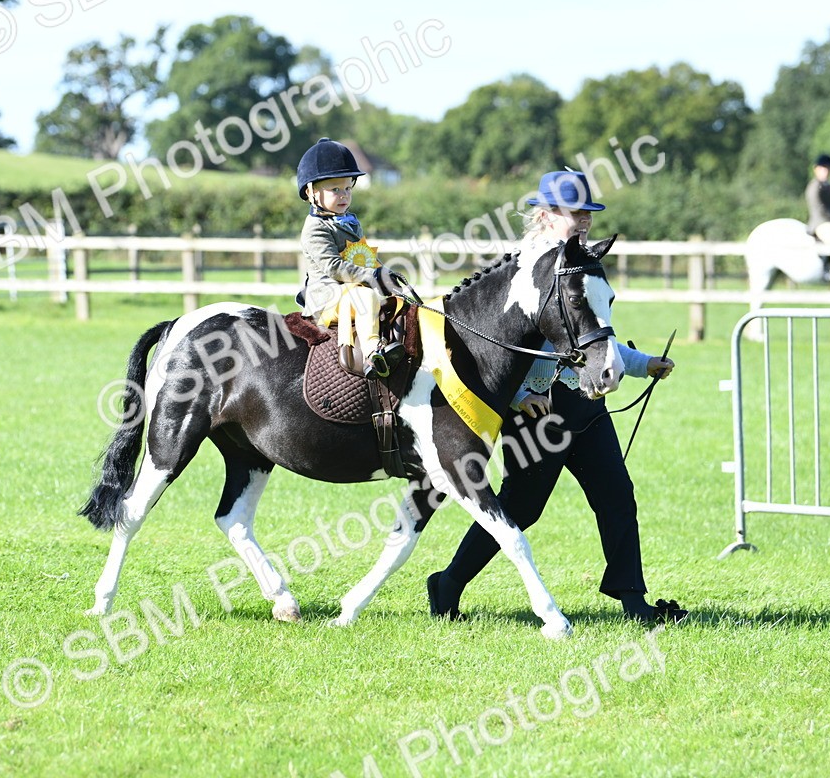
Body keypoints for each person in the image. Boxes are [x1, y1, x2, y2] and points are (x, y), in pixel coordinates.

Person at [426, 170, 688, 625]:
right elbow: (497, 347)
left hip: (585, 406)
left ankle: (635, 602)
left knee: (617, 496)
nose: (584, 220)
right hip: (537, 412)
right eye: (575, 213)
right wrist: (522, 394)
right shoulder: (521, 270)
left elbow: (593, 338)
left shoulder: (584, 262)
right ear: (546, 216)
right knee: (522, 507)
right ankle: (448, 583)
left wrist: (643, 362)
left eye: (588, 212)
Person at [295, 137, 403, 380]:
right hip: (328, 295)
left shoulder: (351, 221)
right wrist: (371, 277)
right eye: (335, 190)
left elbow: (364, 258)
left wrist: (385, 273)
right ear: (312, 192)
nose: (344, 195)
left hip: (352, 288)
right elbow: (333, 267)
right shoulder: (315, 228)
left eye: (347, 188)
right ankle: (374, 352)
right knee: (365, 295)